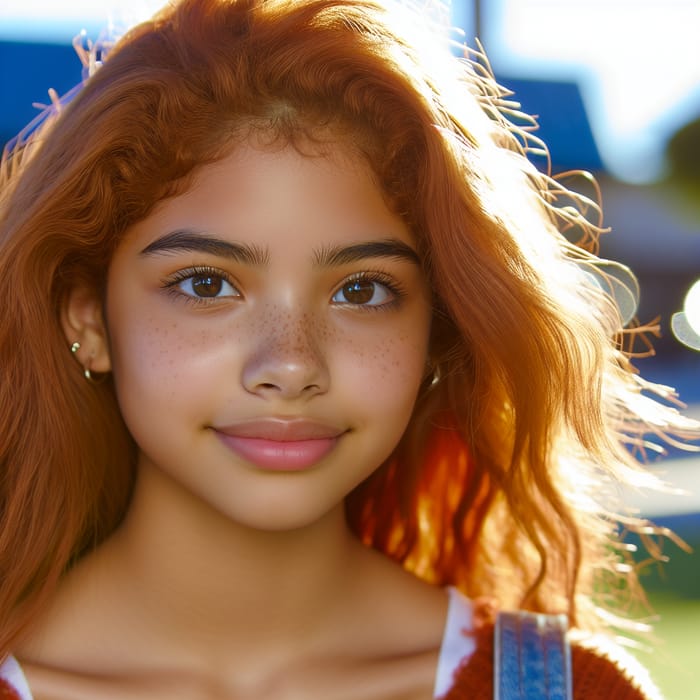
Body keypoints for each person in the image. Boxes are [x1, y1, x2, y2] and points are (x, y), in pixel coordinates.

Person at [0, 0, 695, 697]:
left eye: (361, 291)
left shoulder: (573, 689)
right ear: (88, 318)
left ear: (437, 331)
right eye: (207, 283)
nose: (292, 364)